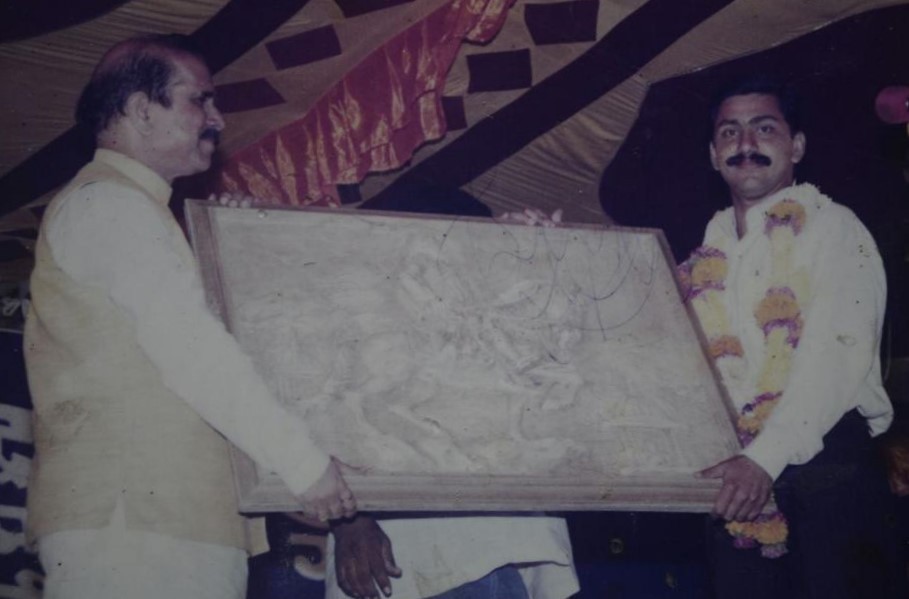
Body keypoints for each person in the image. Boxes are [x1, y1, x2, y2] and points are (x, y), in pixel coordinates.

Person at [23, 33, 356, 599]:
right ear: (140, 110)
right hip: (139, 525)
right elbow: (191, 351)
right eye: (200, 99)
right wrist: (304, 466)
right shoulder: (110, 204)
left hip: (161, 522)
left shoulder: (134, 211)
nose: (218, 119)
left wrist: (237, 251)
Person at [683, 75, 907, 598]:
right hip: (735, 482)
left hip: (827, 471)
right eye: (729, 132)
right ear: (713, 155)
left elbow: (837, 356)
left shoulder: (834, 228)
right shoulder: (702, 260)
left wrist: (765, 458)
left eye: (764, 129)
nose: (745, 145)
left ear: (797, 146)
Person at [321, 187, 578, 599]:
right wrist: (350, 520)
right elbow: (322, 428)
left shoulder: (500, 325)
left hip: (503, 548)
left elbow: (570, 389)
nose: (437, 270)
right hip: (405, 554)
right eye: (421, 258)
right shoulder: (364, 335)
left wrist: (550, 260)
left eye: (454, 250)